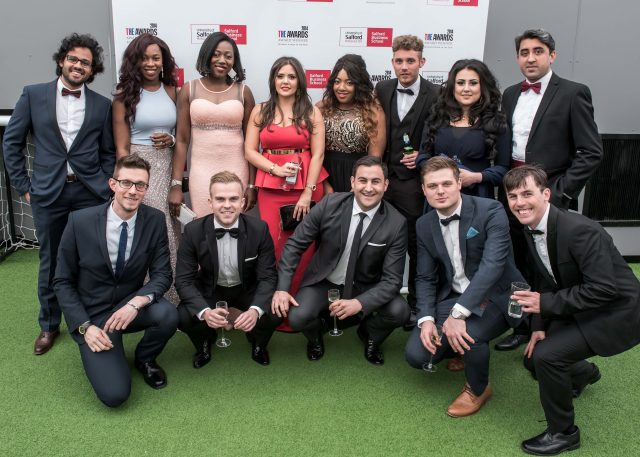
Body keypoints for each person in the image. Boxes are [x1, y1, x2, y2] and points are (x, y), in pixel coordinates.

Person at [503, 165, 640, 455]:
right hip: (578, 304)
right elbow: (544, 279)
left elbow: (604, 289)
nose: (519, 202)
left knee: (547, 357)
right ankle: (584, 374)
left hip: (616, 312)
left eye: (527, 194)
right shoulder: (531, 226)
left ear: (546, 194)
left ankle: (564, 433)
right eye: (513, 196)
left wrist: (545, 305)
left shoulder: (580, 230)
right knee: (532, 359)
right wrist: (539, 325)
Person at [2, 33, 115, 355]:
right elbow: (12, 142)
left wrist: (104, 183)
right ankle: (49, 324)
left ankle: (93, 318)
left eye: (86, 63)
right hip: (47, 194)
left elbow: (107, 151)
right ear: (62, 60)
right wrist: (24, 187)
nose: (78, 66)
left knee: (91, 259)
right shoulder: (33, 95)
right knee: (51, 261)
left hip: (89, 193)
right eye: (73, 59)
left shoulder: (102, 105)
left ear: (93, 70)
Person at [496, 29, 603, 352]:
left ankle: (559, 328)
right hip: (512, 195)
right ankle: (523, 325)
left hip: (549, 197)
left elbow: (591, 152)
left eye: (538, 51)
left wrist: (559, 193)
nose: (530, 58)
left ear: (552, 55)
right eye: (524, 52)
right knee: (519, 261)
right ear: (517, 58)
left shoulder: (573, 93)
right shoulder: (510, 94)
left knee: (553, 266)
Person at [53, 155, 178, 407]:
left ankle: (145, 358)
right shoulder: (79, 221)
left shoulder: (154, 219)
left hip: (129, 306)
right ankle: (107, 347)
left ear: (146, 188)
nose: (133, 191)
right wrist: (84, 327)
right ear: (113, 184)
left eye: (140, 185)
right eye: (126, 183)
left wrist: (135, 304)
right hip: (94, 316)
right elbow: (62, 282)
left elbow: (162, 274)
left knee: (168, 314)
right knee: (115, 395)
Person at [405, 156, 525, 417]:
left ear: (459, 183)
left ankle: (478, 388)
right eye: (432, 186)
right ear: (423, 190)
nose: (440, 191)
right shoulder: (424, 224)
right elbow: (424, 277)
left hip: (499, 294)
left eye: (446, 184)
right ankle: (458, 350)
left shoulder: (491, 210)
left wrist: (458, 315)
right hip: (456, 294)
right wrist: (426, 319)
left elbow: (492, 267)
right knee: (417, 355)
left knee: (469, 333)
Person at [272, 156, 409, 364]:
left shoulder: (397, 223)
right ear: (352, 182)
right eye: (362, 180)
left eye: (376, 181)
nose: (368, 188)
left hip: (365, 286)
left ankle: (370, 334)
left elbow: (392, 281)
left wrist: (360, 302)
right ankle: (317, 336)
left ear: (386, 185)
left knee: (400, 311)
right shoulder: (329, 204)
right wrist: (282, 288)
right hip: (325, 281)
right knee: (298, 317)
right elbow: (294, 245)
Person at [175, 171, 281, 367]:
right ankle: (204, 343)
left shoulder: (259, 229)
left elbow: (268, 276)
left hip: (246, 287)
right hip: (211, 287)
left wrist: (255, 311)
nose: (227, 205)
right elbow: (183, 280)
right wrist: (205, 312)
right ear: (210, 202)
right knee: (183, 315)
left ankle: (258, 343)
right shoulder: (193, 231)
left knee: (274, 312)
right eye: (220, 199)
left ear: (242, 202)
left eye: (233, 199)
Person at [245, 56, 328, 298]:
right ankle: (274, 302)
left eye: (291, 77)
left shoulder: (312, 112)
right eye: (280, 76)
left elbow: (318, 154)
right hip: (271, 188)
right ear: (273, 79)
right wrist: (275, 169)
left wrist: (307, 192)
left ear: (299, 81)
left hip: (306, 187)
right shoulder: (260, 111)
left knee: (305, 246)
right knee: (273, 242)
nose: (285, 81)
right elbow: (249, 151)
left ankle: (300, 302)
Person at [374, 35, 439, 329]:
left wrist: (423, 156)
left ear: (421, 62)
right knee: (377, 242)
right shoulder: (382, 88)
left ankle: (415, 305)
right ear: (392, 62)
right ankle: (376, 302)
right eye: (399, 60)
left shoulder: (436, 93)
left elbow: (441, 136)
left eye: (410, 61)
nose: (404, 66)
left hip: (414, 185)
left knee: (416, 245)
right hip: (383, 182)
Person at [112, 33, 181, 303]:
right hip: (137, 167)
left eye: (156, 58)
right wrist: (128, 181)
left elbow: (182, 137)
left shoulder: (173, 91)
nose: (150, 64)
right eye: (144, 58)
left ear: (164, 61)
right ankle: (139, 295)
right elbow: (121, 148)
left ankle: (172, 297)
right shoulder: (123, 96)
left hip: (167, 166)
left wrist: (171, 140)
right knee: (145, 227)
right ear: (135, 61)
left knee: (169, 228)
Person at [170, 32, 256, 218]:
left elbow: (251, 144)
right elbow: (182, 141)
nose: (222, 60)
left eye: (228, 56)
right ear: (207, 55)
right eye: (216, 54)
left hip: (237, 170)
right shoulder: (189, 89)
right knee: (204, 224)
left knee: (233, 223)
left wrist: (251, 184)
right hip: (201, 172)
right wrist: (176, 184)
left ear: (234, 61)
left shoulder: (244, 92)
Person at [416, 59, 510, 200]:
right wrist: (441, 173)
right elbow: (423, 157)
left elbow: (503, 169)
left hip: (477, 199)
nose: (466, 89)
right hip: (439, 197)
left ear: (483, 86)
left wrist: (476, 177)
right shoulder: (436, 118)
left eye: (473, 83)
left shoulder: (496, 122)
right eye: (460, 83)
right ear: (452, 86)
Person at [317, 54, 386, 193]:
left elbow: (374, 158)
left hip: (358, 180)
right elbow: (311, 152)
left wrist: (358, 187)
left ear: (359, 84)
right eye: (337, 81)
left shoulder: (373, 111)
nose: (341, 87)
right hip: (323, 177)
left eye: (349, 83)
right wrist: (324, 184)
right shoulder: (321, 108)